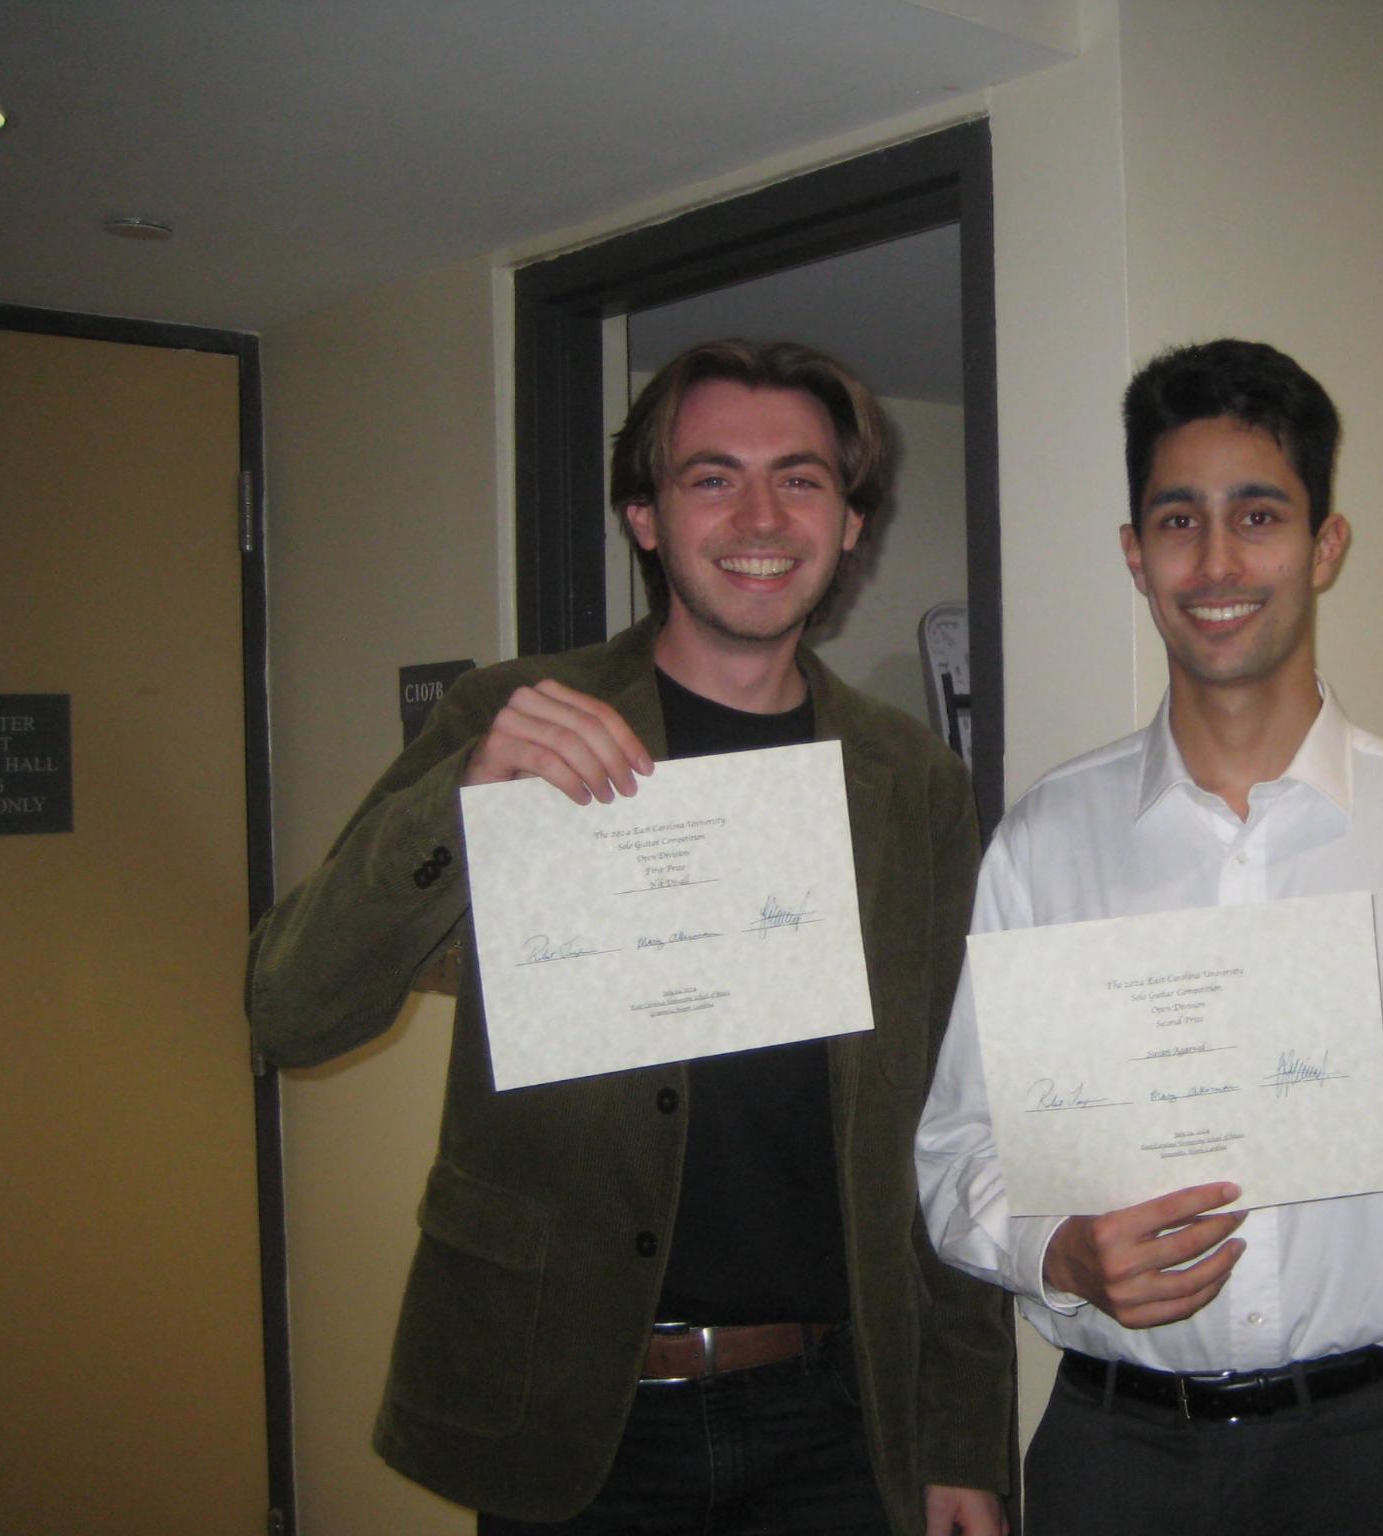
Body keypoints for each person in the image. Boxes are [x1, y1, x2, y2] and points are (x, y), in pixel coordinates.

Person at [249, 339, 1011, 1535]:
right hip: (573, 1416)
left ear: (851, 522)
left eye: (802, 479)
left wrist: (962, 1434)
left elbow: (951, 1106)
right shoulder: (509, 721)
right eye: (712, 477)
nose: (761, 515)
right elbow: (290, 1011)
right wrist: (466, 794)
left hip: (837, 1421)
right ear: (643, 518)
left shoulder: (908, 776)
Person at [915, 339, 1383, 1536]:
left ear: (1323, 546)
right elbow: (956, 1156)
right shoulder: (1042, 848)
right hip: (1116, 1457)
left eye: (1257, 515)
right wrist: (1055, 1250)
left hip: (1378, 1453)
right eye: (1177, 520)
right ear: (1134, 554)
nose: (1216, 562)